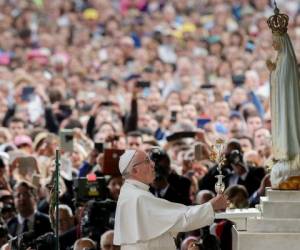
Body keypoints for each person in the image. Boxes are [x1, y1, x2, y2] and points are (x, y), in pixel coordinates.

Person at [113, 149, 227, 249]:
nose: (153, 164)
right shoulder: (139, 198)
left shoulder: (131, 192)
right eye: (147, 161)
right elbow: (182, 218)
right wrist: (211, 205)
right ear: (134, 171)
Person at [266, 5, 300, 189]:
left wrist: (274, 73)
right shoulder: (280, 58)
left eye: (274, 40)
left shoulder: (286, 59)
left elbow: (286, 85)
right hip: (281, 103)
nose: (273, 44)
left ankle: (290, 152)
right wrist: (273, 71)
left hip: (287, 105)